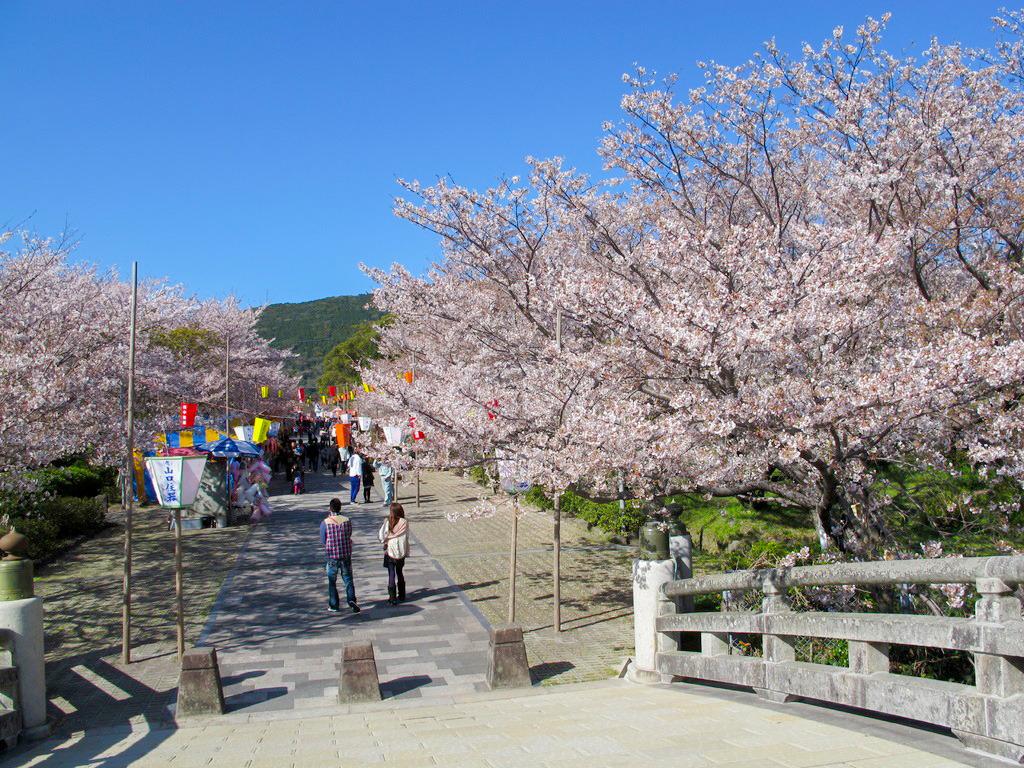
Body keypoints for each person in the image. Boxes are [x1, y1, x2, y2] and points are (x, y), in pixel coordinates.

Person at [320, 498, 359, 613]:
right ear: (340, 507)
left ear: (330, 508)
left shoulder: (325, 522)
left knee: (332, 581)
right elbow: (349, 534)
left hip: (332, 555)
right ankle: (352, 600)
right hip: (345, 554)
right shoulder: (347, 520)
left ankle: (334, 604)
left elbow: (323, 539)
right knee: (348, 580)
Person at [377, 502, 408, 605]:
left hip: (390, 551)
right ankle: (402, 595)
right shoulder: (404, 522)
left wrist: (385, 540)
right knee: (400, 572)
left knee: (391, 573)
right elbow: (406, 537)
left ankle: (392, 597)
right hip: (401, 551)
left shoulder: (388, 521)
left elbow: (381, 535)